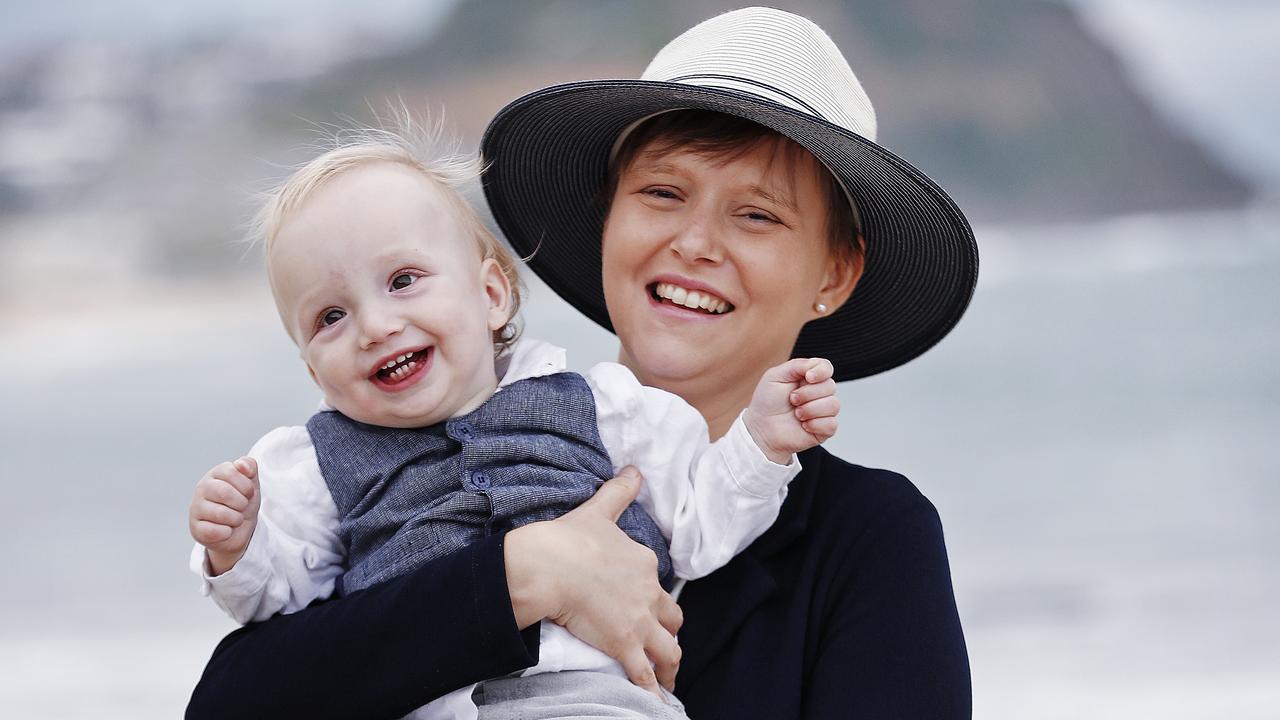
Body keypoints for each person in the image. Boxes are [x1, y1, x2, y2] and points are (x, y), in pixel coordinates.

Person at [187, 7, 975, 719]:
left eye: (757, 214)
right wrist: (522, 575)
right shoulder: (420, 459)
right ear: (609, 216)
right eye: (662, 193)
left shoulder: (867, 538)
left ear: (834, 274)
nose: (695, 242)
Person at [186, 126, 840, 719]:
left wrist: (760, 443)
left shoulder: (601, 407)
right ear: (311, 372)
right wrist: (237, 547)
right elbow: (274, 613)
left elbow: (702, 524)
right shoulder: (312, 466)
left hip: (595, 704)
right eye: (330, 317)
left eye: (404, 280)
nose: (375, 326)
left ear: (493, 295)